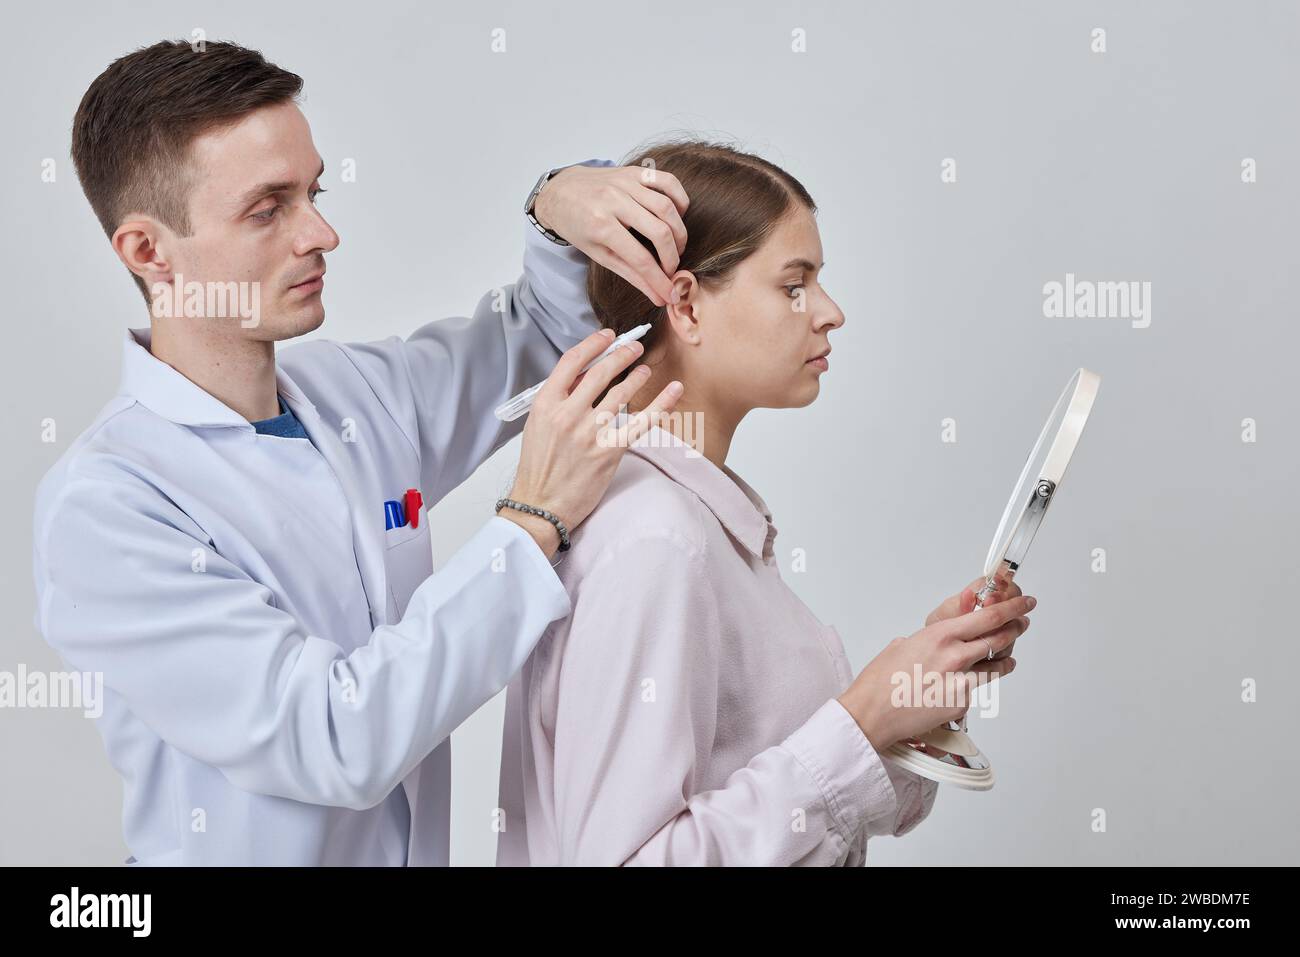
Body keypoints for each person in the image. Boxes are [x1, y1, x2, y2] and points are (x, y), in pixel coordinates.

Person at [31, 39, 687, 865]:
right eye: (268, 209)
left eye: (314, 192)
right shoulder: (106, 506)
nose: (323, 233)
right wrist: (532, 522)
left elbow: (543, 339)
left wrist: (554, 202)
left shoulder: (358, 394)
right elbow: (335, 738)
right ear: (147, 252)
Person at [496, 141, 1034, 866]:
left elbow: (791, 792)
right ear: (685, 303)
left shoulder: (694, 519)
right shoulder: (655, 533)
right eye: (794, 284)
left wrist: (913, 698)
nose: (831, 312)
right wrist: (859, 719)